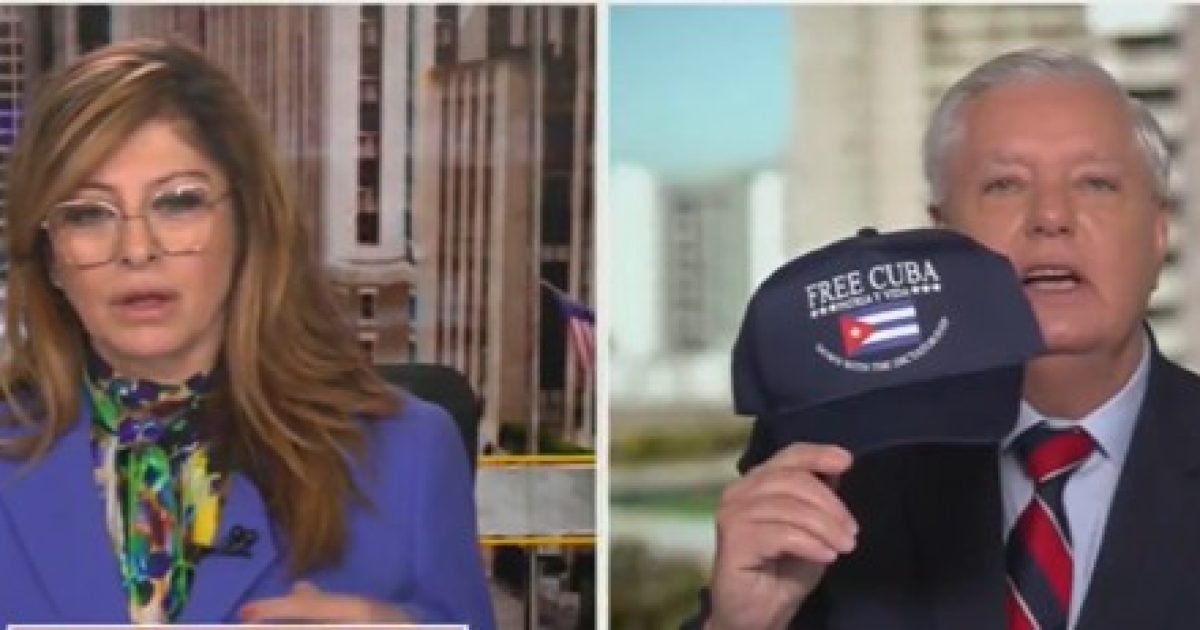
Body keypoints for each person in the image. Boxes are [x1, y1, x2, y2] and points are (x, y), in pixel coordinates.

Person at [693, 47, 1200, 629]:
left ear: (1159, 237)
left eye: (1096, 184)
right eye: (1005, 185)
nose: (1052, 216)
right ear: (944, 243)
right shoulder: (833, 462)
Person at [0, 39, 494, 628]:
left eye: (179, 203)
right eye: (87, 214)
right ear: (51, 256)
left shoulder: (408, 456)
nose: (137, 251)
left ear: (248, 224)